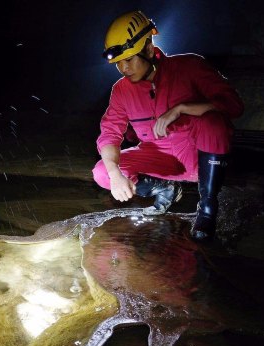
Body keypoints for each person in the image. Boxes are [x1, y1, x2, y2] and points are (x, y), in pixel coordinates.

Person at [92, 10, 244, 240]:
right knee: (103, 171)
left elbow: (233, 105)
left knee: (213, 122)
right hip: (159, 157)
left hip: (198, 156)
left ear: (149, 50)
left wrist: (182, 108)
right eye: (119, 63)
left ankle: (207, 209)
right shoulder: (121, 90)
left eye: (129, 60)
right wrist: (115, 174)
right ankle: (164, 188)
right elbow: (109, 134)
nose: (124, 68)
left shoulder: (189, 67)